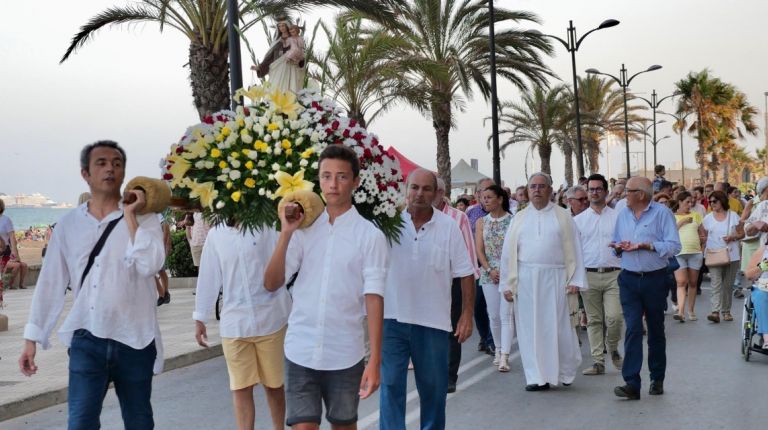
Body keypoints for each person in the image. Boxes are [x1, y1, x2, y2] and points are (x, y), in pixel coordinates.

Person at [19, 140, 166, 428]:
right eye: (101, 163)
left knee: (139, 422)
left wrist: (130, 216)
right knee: (81, 422)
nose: (110, 168)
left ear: (123, 174)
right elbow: (50, 283)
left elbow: (152, 264)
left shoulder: (147, 220)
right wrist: (31, 339)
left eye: (117, 163)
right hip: (88, 338)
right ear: (85, 173)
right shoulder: (68, 225)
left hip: (135, 338)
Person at [264, 144, 387, 429]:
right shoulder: (303, 230)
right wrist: (286, 234)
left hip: (345, 353)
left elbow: (374, 298)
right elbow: (271, 283)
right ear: (318, 179)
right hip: (300, 350)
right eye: (326, 176)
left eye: (342, 177)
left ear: (355, 182)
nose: (333, 184)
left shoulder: (370, 236)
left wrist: (375, 361)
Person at [380, 168, 474, 429]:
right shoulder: (388, 223)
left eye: (426, 189)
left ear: (437, 194)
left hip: (433, 324)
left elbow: (465, 273)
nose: (419, 194)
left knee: (434, 392)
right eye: (414, 187)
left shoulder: (449, 227)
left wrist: (466, 315)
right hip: (392, 320)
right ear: (406, 189)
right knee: (390, 387)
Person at [194, 221, 291, 430]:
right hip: (234, 323)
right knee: (240, 388)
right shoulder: (216, 235)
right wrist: (200, 317)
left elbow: (284, 261)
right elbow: (209, 276)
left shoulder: (264, 226)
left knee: (274, 386)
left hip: (270, 319)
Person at [500, 172, 586, 391]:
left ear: (550, 190)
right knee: (530, 330)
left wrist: (576, 279)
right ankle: (537, 376)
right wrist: (506, 284)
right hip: (526, 279)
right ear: (527, 191)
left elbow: (576, 249)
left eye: (541, 186)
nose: (536, 190)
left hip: (556, 279)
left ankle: (564, 370)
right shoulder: (518, 218)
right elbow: (507, 254)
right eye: (532, 186)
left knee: (558, 328)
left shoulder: (564, 216)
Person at [611, 177, 681, 400]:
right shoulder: (622, 214)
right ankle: (631, 382)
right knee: (632, 328)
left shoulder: (662, 213)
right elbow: (615, 244)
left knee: (655, 329)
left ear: (640, 194)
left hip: (655, 279)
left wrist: (647, 246)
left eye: (628, 191)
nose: (624, 195)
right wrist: (619, 247)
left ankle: (657, 378)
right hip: (629, 279)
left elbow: (674, 246)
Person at [574, 174, 624, 376]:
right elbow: (574, 252)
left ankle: (612, 348)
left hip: (615, 274)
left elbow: (625, 242)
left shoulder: (618, 217)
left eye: (598, 189)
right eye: (591, 189)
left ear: (605, 191)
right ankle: (598, 361)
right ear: (587, 192)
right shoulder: (578, 221)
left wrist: (620, 248)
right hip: (589, 275)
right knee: (594, 320)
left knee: (615, 317)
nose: (594, 192)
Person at [433, 178, 479, 393]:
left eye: (429, 190)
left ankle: (450, 376)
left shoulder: (457, 217)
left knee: (452, 330)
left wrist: (470, 281)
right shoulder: (416, 216)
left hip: (453, 283)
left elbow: (469, 251)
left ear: (440, 192)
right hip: (429, 283)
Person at [475, 185, 514, 372]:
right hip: (489, 274)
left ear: (500, 199)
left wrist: (506, 273)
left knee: (507, 315)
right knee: (494, 315)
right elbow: (479, 250)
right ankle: (497, 349)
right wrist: (489, 269)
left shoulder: (513, 221)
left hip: (508, 274)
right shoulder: (482, 222)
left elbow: (515, 250)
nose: (485, 201)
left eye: (489, 197)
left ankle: (506, 355)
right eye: (483, 198)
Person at [702, 190, 743, 323]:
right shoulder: (707, 218)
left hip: (732, 255)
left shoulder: (733, 216)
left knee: (728, 285)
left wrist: (733, 237)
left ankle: (726, 311)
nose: (712, 204)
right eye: (710, 201)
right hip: (714, 255)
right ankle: (715, 311)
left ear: (722, 201)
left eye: (715, 201)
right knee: (716, 283)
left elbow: (742, 234)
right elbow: (703, 236)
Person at [466, 177, 495, 355]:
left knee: (493, 306)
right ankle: (484, 337)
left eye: (490, 191)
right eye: (483, 192)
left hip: (495, 266)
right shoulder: (471, 213)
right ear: (477, 194)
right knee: (478, 306)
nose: (486, 196)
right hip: (476, 265)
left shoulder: (503, 213)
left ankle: (493, 341)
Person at [672, 191, 706, 322]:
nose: (690, 204)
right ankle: (680, 311)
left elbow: (703, 234)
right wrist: (683, 221)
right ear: (680, 202)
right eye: (687, 202)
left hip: (695, 252)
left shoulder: (696, 216)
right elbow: (670, 233)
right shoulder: (672, 216)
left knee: (693, 283)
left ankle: (691, 310)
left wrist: (702, 247)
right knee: (681, 282)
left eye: (691, 202)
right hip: (679, 253)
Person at [743, 242, 768, 350]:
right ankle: (767, 339)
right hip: (763, 286)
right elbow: (749, 275)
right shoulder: (762, 251)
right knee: (761, 298)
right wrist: (761, 267)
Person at [155, 215, 171, 306]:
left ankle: (165, 293)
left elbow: (166, 226)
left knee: (161, 270)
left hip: (159, 246)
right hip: (151, 245)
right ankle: (162, 294)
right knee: (154, 273)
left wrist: (165, 243)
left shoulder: (159, 214)